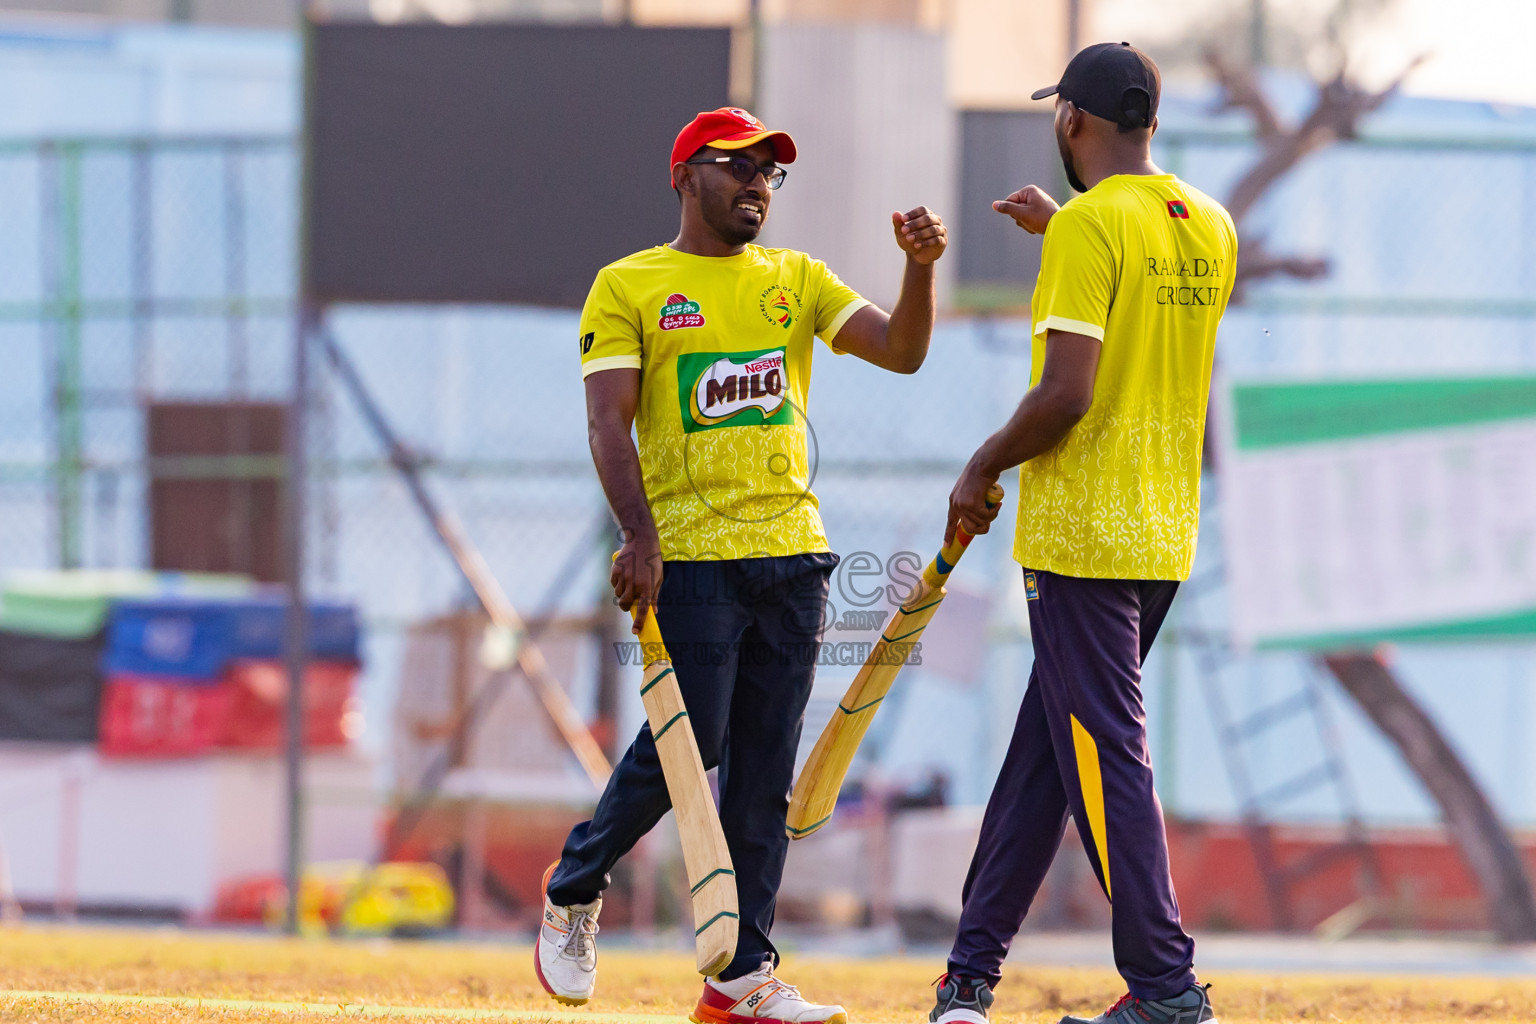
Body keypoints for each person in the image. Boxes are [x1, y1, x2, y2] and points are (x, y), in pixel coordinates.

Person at [539, 106, 949, 1024]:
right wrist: (639, 537)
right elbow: (608, 422)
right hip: (690, 556)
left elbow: (903, 352)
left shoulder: (797, 279)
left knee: (764, 771)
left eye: (770, 171)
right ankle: (574, 888)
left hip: (793, 555)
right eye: (738, 165)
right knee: (695, 744)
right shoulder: (629, 285)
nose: (758, 182)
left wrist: (920, 268)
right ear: (685, 175)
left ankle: (742, 976)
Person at [928, 43, 1236, 1024]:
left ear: (1072, 120)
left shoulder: (1092, 227)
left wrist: (982, 464)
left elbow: (1066, 394)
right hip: (1161, 534)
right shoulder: (1208, 223)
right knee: (1044, 760)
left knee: (1104, 760)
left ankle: (1166, 987)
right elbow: (1139, 282)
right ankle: (968, 977)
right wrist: (1062, 228)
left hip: (1083, 540)